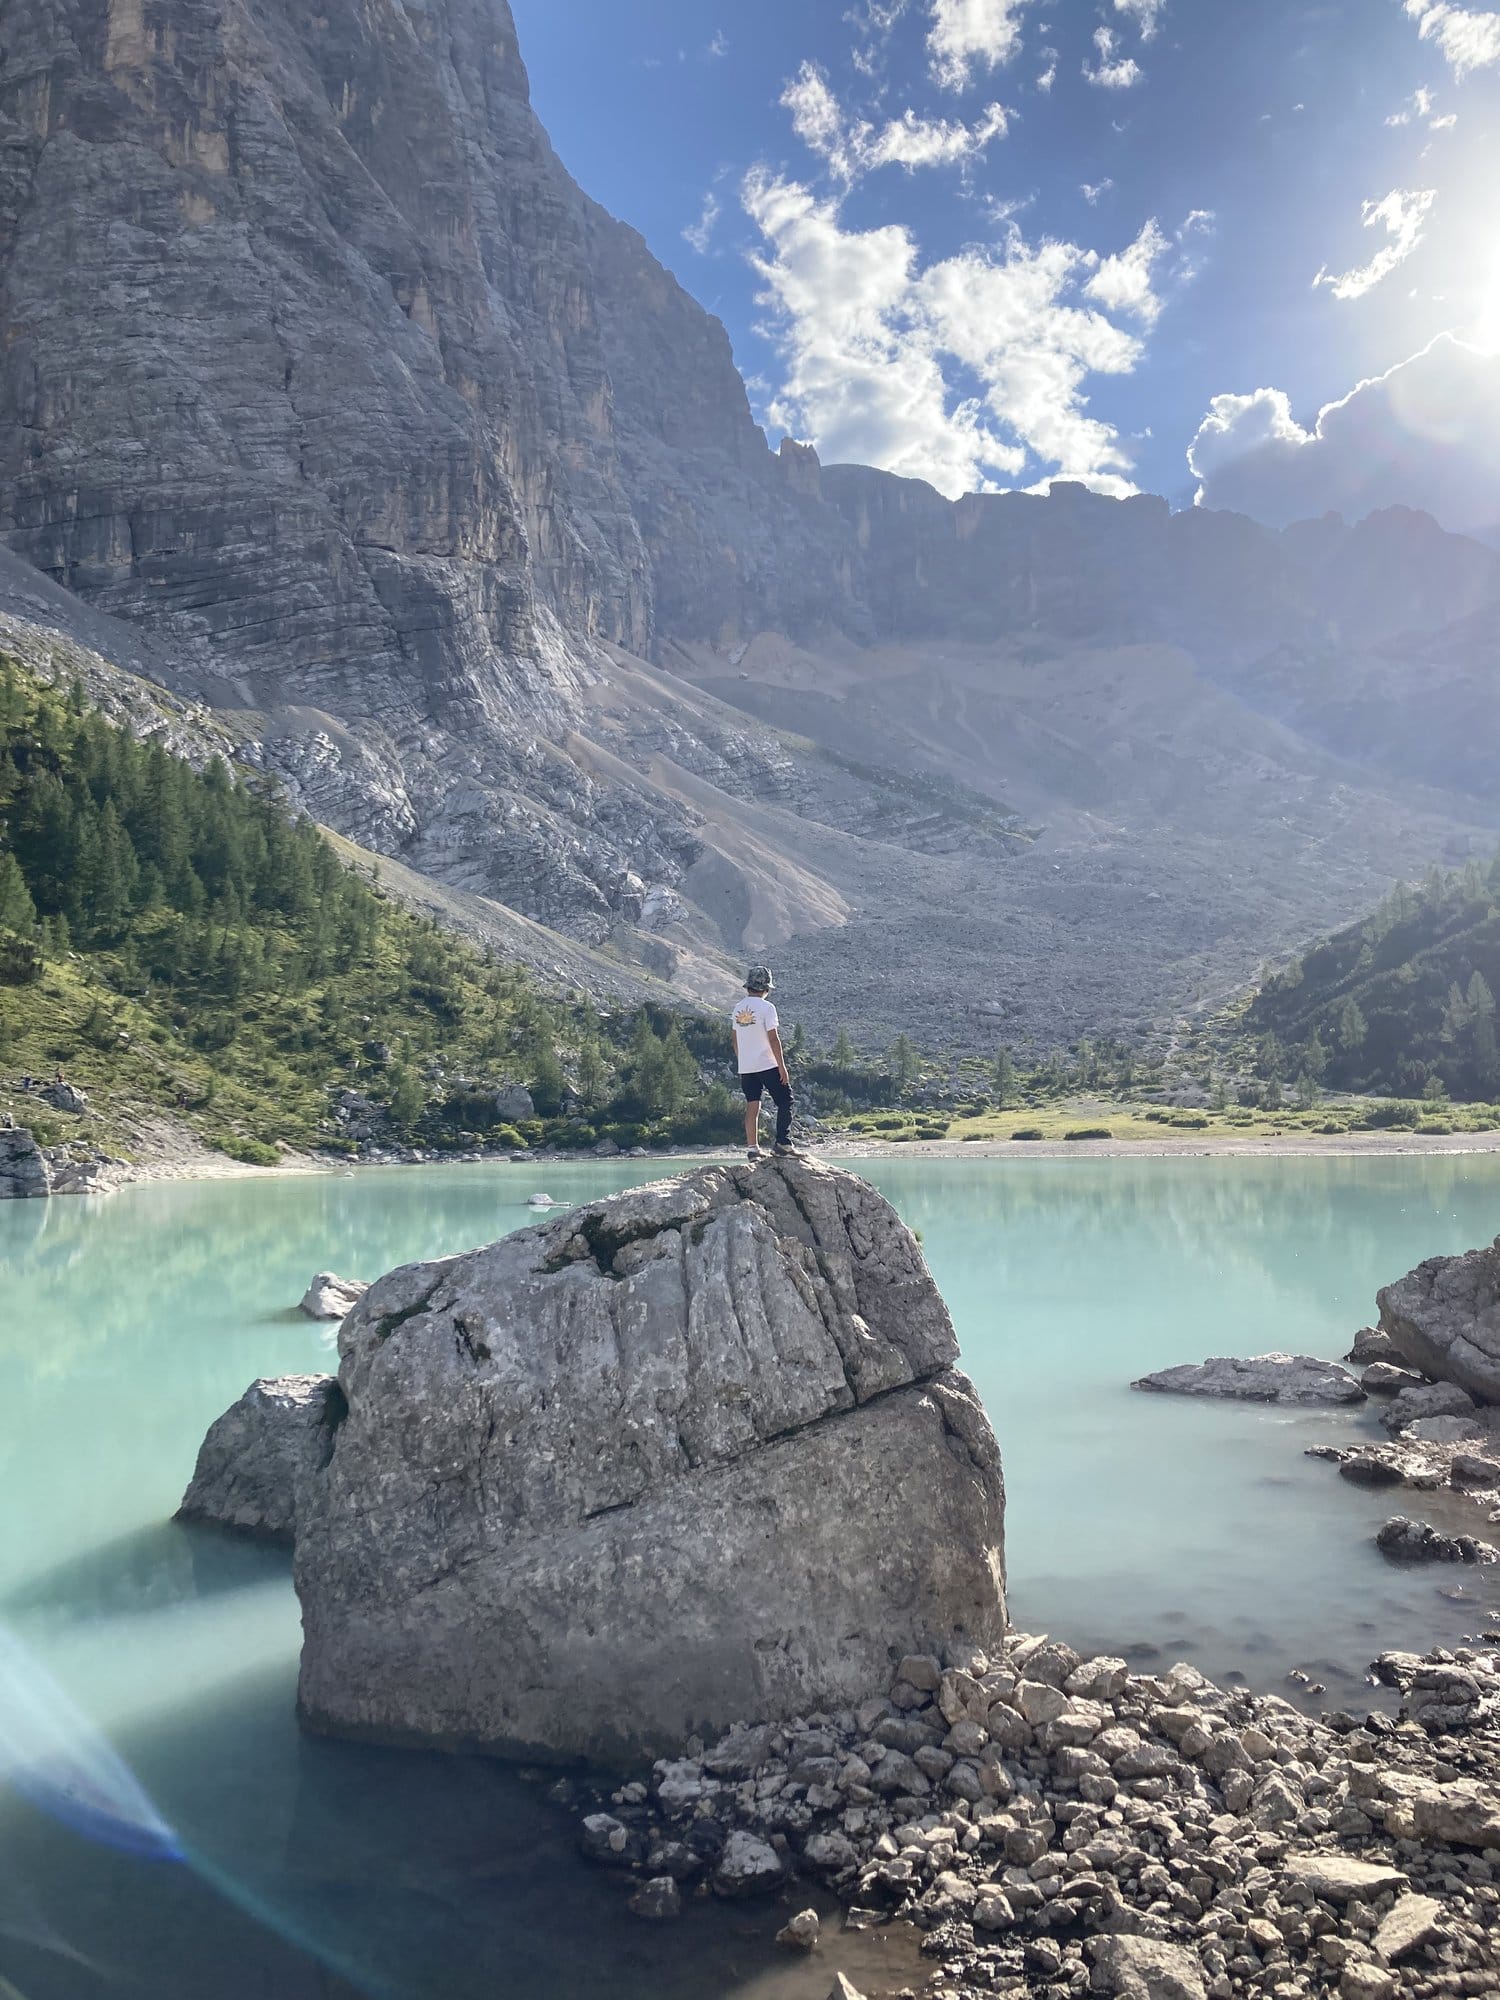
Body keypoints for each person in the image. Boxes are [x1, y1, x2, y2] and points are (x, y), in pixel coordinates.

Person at [731, 966, 797, 1161]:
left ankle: (753, 1149)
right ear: (766, 988)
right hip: (767, 1063)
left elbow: (734, 1039)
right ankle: (783, 1144)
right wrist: (781, 1066)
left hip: (747, 1066)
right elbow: (773, 1039)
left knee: (753, 1104)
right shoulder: (767, 1008)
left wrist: (743, 1060)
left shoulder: (738, 1008)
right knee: (785, 1100)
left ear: (748, 986)